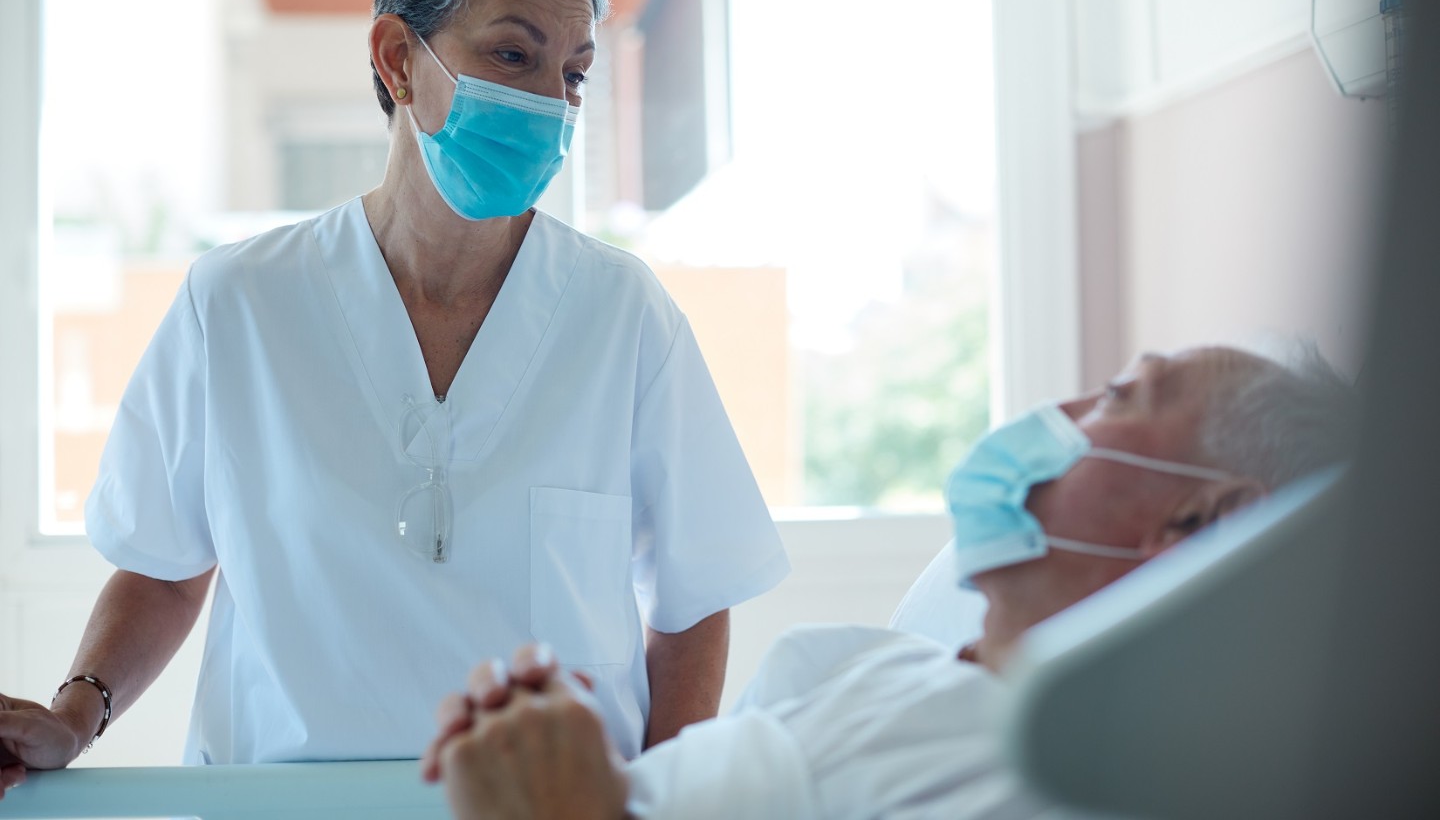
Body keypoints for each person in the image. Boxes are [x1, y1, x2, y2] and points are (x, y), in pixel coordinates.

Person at [0, 0, 788, 783]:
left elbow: (691, 600)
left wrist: (663, 802)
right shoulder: (238, 305)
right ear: (397, 58)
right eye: (511, 55)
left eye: (572, 74)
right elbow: (164, 570)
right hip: (284, 804)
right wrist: (73, 719)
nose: (547, 102)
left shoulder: (622, 313)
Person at [421, 345, 1355, 820]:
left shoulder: (1032, 774)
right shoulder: (910, 677)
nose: (1058, 414)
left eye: (1118, 397)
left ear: (1203, 524)